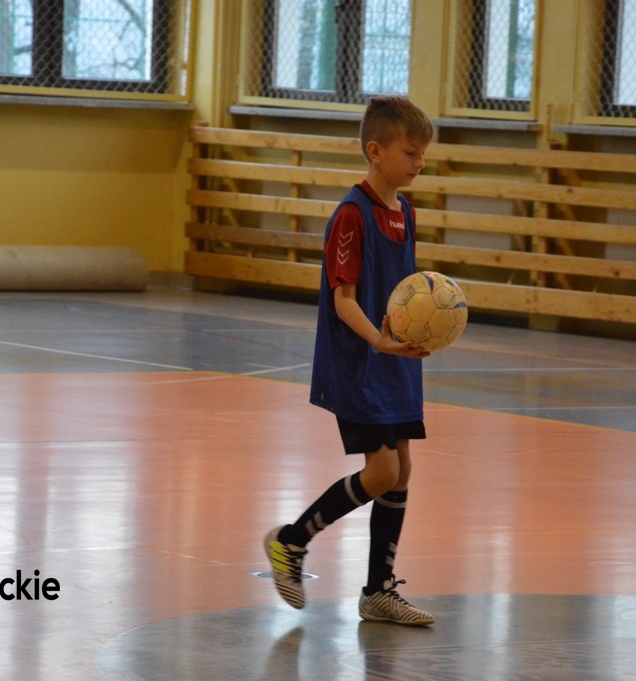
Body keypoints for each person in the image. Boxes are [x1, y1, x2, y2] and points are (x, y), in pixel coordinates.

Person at [264, 96, 435, 626]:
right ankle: (291, 541)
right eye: (410, 153)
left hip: (395, 360)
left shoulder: (406, 213)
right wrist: (380, 343)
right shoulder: (350, 215)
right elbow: (344, 300)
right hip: (359, 361)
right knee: (382, 471)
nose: (420, 163)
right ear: (375, 151)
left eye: (423, 154)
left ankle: (378, 591)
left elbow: (402, 291)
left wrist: (417, 327)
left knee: (402, 470)